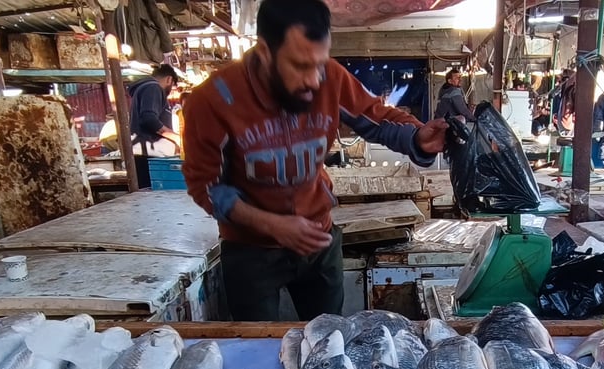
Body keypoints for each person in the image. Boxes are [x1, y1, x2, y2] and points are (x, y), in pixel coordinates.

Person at [182, 0, 447, 321]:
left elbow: (375, 118)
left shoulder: (329, 77)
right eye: (300, 65)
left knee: (330, 336)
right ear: (265, 51)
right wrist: (272, 225)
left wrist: (417, 136)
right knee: (257, 344)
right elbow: (207, 187)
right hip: (251, 253)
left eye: (319, 64)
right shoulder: (211, 101)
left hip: (319, 242)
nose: (313, 80)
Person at [130, 64, 182, 189]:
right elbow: (149, 119)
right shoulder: (153, 87)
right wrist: (176, 138)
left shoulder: (145, 89)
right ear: (169, 79)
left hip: (147, 154)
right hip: (150, 156)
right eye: (172, 85)